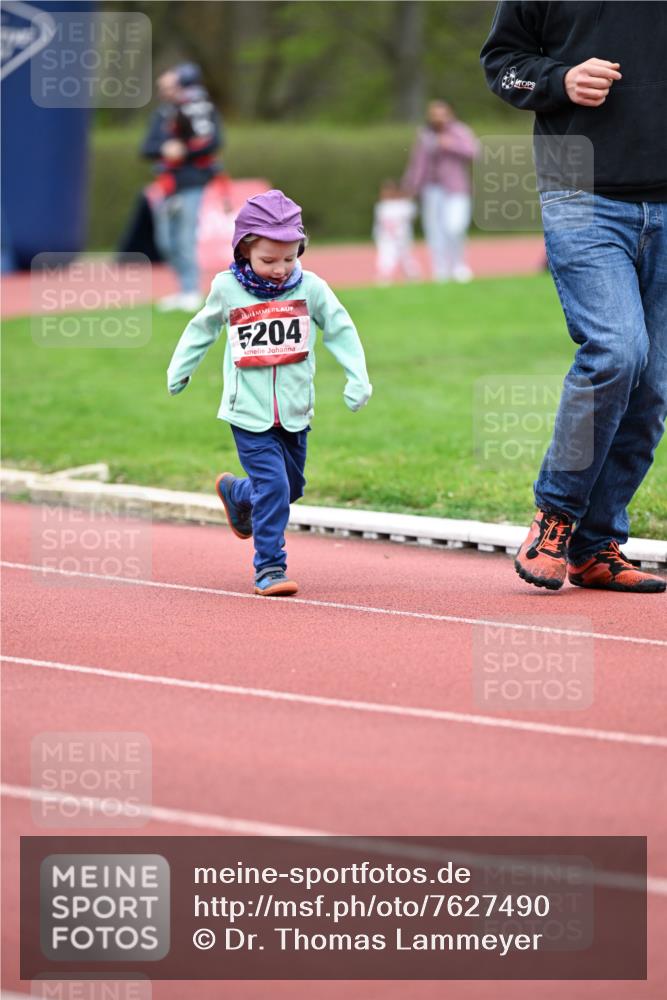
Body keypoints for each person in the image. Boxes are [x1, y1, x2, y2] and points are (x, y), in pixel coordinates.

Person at [481, 1, 666, 593]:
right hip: (580, 190)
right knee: (616, 350)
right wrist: (558, 80)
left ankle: (597, 544)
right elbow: (501, 63)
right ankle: (556, 514)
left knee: (656, 381)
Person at [166, 190, 373, 596]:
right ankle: (270, 567)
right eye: (268, 260)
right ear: (244, 251)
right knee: (275, 489)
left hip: (296, 412)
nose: (280, 269)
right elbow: (202, 328)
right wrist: (180, 368)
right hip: (248, 413)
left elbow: (341, 327)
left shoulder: (310, 288)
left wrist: (358, 377)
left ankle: (236, 492)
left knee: (289, 489)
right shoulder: (227, 288)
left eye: (290, 258)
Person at [141, 62, 222, 312]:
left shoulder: (200, 110)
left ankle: (191, 290)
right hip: (166, 184)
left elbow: (213, 141)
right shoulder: (163, 114)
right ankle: (182, 288)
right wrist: (165, 149)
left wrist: (184, 151)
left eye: (170, 86)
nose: (166, 92)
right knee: (165, 240)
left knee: (185, 235)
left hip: (191, 182)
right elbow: (147, 148)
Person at [402, 100, 480, 282]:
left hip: (456, 189)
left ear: (450, 114)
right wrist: (410, 186)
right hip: (431, 190)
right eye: (434, 114)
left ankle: (459, 265)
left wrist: (449, 144)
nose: (438, 118)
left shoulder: (459, 131)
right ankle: (441, 271)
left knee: (455, 227)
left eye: (442, 114)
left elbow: (474, 151)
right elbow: (417, 163)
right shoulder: (424, 135)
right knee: (435, 232)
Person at [372, 179, 420, 284]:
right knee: (386, 259)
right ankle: (384, 277)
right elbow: (378, 225)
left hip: (402, 239)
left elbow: (412, 212)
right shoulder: (381, 207)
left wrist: (407, 195)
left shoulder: (403, 205)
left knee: (406, 258)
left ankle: (412, 275)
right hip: (387, 239)